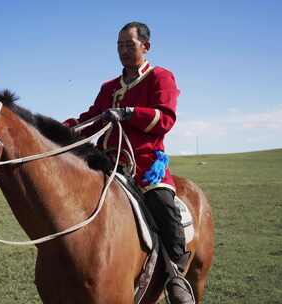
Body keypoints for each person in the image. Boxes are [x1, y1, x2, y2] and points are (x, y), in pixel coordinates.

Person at [64, 22, 194, 303]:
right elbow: (92, 118)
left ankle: (176, 275)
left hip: (145, 165)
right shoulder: (109, 87)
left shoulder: (161, 77)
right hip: (108, 163)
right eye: (119, 45)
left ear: (145, 47)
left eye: (129, 44)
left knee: (163, 206)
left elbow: (166, 118)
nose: (123, 50)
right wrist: (62, 129)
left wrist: (130, 113)